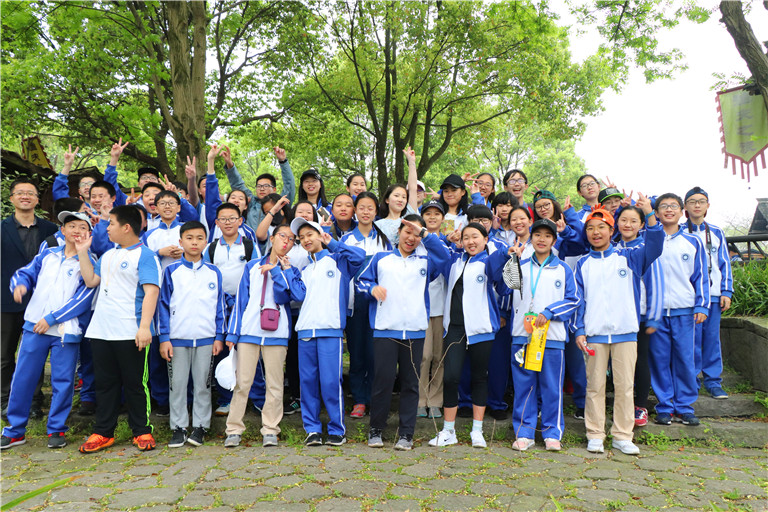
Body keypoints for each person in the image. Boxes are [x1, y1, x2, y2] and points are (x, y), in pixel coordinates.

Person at [574, 197, 663, 455]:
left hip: (626, 332)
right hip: (595, 334)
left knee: (625, 386)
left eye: (601, 228)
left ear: (611, 231)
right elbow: (579, 301)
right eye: (591, 228)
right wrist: (579, 330)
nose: (596, 233)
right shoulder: (583, 264)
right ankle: (595, 433)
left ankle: (623, 435)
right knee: (595, 386)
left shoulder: (630, 256)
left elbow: (655, 246)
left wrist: (649, 214)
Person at [1, 211, 97, 450]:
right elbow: (26, 272)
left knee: (63, 381)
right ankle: (15, 430)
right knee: (23, 378)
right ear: (62, 231)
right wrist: (20, 285)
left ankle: (56, 429)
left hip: (66, 332)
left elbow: (83, 300)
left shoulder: (90, 262)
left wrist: (52, 318)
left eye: (82, 227)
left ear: (89, 234)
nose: (76, 231)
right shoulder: (48, 254)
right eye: (71, 226)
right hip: (34, 327)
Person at [358, 215, 450, 450]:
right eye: (407, 232)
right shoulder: (381, 258)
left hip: (415, 332)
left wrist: (426, 234)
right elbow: (361, 281)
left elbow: (445, 258)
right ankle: (376, 430)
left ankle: (406, 434)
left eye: (416, 234)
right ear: (398, 232)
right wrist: (372, 288)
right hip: (385, 330)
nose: (411, 238)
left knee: (410, 384)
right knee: (383, 382)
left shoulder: (426, 261)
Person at [76, 205, 161, 453]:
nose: (107, 228)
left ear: (126, 227)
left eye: (111, 223)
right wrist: (82, 252)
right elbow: (91, 280)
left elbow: (151, 292)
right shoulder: (107, 255)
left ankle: (142, 430)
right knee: (105, 384)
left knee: (136, 383)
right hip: (101, 331)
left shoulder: (146, 255)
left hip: (131, 331)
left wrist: (144, 327)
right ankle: (103, 432)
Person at [429, 223, 511, 449]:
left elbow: (498, 270)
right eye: (466, 237)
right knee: (451, 377)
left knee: (479, 377)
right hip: (455, 328)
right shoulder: (454, 261)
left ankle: (477, 430)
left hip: (481, 328)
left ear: (486, 239)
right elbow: (436, 250)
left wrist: (506, 252)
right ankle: (448, 431)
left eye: (475, 237)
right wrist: (441, 238)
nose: (471, 241)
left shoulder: (488, 261)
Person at [224, 225, 305, 448]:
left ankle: (270, 429)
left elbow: (293, 296)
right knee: (243, 383)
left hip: (277, 333)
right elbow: (241, 301)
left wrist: (280, 271)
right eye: (282, 236)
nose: (286, 241)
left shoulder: (292, 270)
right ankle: (234, 429)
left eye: (292, 239)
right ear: (272, 238)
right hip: (249, 331)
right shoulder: (251, 266)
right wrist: (233, 333)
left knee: (275, 384)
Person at [293, 218, 365, 446]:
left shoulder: (338, 260)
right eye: (301, 237)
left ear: (320, 234)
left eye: (309, 234)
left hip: (330, 331)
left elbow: (359, 257)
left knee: (331, 383)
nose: (306, 240)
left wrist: (332, 242)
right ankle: (312, 429)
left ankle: (337, 429)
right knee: (308, 383)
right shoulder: (304, 269)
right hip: (305, 332)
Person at [508, 219, 579, 452]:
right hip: (523, 335)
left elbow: (573, 300)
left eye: (547, 236)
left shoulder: (563, 269)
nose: (541, 239)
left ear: (554, 241)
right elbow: (503, 289)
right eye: (537, 234)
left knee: (551, 387)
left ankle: (552, 433)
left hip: (552, 338)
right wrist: (511, 260)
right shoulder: (520, 265)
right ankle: (524, 432)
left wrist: (549, 312)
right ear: (530, 238)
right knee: (524, 386)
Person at [157, 221, 225, 448]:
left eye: (199, 238)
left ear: (206, 242)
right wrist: (164, 338)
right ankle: (178, 427)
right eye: (189, 238)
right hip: (177, 339)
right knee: (177, 385)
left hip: (206, 339)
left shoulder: (214, 272)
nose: (194, 242)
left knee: (203, 385)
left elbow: (220, 307)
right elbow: (162, 306)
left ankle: (200, 426)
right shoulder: (171, 271)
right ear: (181, 241)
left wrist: (219, 336)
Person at [649, 193, 709, 427]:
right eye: (663, 206)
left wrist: (702, 304)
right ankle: (664, 406)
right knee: (660, 360)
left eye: (673, 206)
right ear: (656, 213)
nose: (669, 210)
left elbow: (701, 276)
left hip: (685, 310)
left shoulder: (693, 241)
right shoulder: (648, 240)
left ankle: (684, 407)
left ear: (681, 211)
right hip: (656, 312)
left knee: (685, 359)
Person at [1, 178, 58, 420]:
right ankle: (5, 399)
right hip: (6, 300)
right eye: (20, 193)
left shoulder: (51, 230)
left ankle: (34, 401)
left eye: (30, 193)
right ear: (12, 198)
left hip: (41, 301)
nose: (25, 196)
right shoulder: (2, 228)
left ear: (37, 200)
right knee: (5, 354)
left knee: (35, 353)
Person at [203, 203, 264, 417]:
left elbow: (256, 274)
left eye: (232, 218)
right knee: (222, 350)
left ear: (240, 221)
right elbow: (206, 277)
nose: (227, 222)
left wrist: (244, 300)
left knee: (249, 350)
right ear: (217, 223)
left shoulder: (249, 246)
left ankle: (258, 399)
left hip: (245, 306)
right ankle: (226, 399)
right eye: (223, 219)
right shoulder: (211, 248)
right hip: (219, 307)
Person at [340, 192, 392, 419]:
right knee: (357, 353)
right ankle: (360, 400)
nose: (365, 212)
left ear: (376, 211)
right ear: (355, 211)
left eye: (370, 208)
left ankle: (375, 398)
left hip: (378, 304)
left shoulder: (383, 241)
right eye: (361, 207)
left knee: (375, 354)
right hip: (354, 304)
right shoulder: (346, 240)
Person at [616, 205, 664, 428]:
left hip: (641, 315)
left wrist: (653, 317)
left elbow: (657, 285)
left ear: (641, 225)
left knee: (640, 360)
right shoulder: (612, 248)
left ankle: (640, 405)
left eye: (633, 221)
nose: (628, 225)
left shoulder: (646, 249)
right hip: (617, 316)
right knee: (618, 363)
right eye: (623, 220)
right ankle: (621, 405)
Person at [682, 187, 733, 399]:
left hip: (712, 294)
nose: (697, 205)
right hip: (688, 296)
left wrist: (726, 291)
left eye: (701, 201)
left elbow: (724, 263)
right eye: (692, 201)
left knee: (711, 339)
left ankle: (713, 381)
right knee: (691, 340)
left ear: (707, 206)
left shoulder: (716, 232)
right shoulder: (679, 232)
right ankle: (691, 380)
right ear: (685, 206)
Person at [416, 201, 449, 419]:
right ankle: (420, 400)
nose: (432, 217)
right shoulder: (414, 243)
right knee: (424, 356)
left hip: (442, 308)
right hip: (420, 309)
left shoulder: (449, 243)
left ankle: (435, 400)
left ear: (443, 218)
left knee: (439, 356)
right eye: (428, 213)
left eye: (437, 213)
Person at [221, 146, 296, 232]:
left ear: (274, 189)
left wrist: (283, 162)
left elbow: (289, 186)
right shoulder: (251, 202)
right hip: (250, 240)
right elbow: (237, 184)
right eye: (259, 186)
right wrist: (230, 164)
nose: (262, 189)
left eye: (266, 186)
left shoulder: (280, 203)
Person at [205, 145, 257, 242]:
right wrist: (211, 160)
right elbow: (212, 194)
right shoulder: (216, 221)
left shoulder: (249, 233)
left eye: (241, 199)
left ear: (246, 206)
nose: (236, 200)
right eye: (233, 197)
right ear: (227, 201)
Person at [143, 190, 184, 270]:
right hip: (159, 276)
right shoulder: (148, 235)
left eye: (171, 203)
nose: (167, 206)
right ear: (156, 209)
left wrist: (185, 254)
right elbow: (144, 260)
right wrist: (160, 253)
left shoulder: (188, 230)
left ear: (178, 208)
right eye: (162, 203)